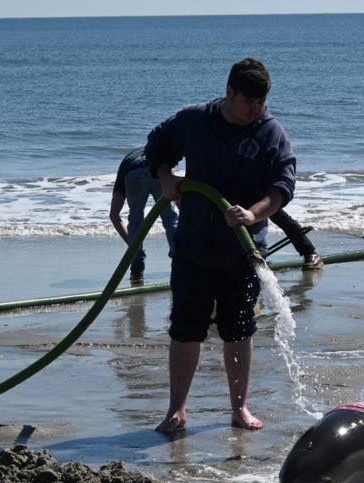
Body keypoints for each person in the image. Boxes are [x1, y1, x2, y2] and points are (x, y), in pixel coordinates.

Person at [145, 58, 296, 434]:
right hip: (193, 246)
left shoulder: (269, 132)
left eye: (261, 103)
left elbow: (283, 185)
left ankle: (240, 408)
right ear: (229, 92)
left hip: (242, 252)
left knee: (239, 330)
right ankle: (177, 410)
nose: (255, 110)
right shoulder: (194, 120)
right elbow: (156, 144)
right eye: (249, 102)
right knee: (185, 329)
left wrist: (255, 212)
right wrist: (166, 177)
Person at [108, 147, 179, 283]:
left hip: (133, 172)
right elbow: (181, 206)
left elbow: (114, 215)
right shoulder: (158, 151)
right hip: (160, 169)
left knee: (135, 220)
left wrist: (133, 246)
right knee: (171, 219)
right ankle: (180, 261)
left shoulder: (126, 163)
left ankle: (137, 271)